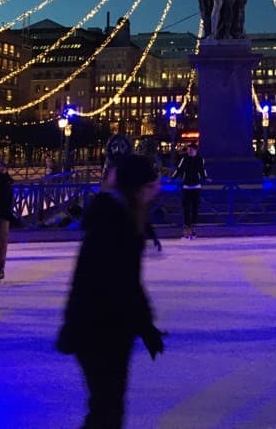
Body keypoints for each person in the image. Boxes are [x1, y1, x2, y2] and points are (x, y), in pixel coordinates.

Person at [56, 155, 165, 428]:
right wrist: (144, 325)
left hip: (102, 327)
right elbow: (119, 281)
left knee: (106, 406)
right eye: (151, 186)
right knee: (106, 408)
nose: (156, 192)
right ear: (137, 188)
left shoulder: (116, 214)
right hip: (101, 329)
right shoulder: (116, 220)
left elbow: (124, 280)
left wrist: (145, 325)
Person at [172, 143, 208, 239]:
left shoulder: (200, 160)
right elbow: (179, 169)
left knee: (195, 209)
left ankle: (193, 229)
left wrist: (206, 178)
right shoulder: (185, 159)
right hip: (186, 186)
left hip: (196, 186)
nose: (189, 151)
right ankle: (187, 230)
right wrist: (172, 178)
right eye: (188, 149)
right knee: (186, 209)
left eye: (191, 149)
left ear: (195, 150)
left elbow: (202, 170)